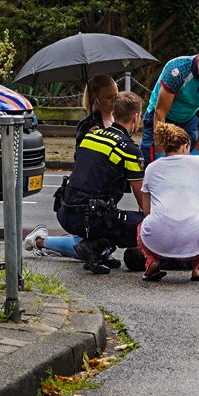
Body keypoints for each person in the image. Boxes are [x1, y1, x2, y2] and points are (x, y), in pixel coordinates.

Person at [28, 76, 121, 259]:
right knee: (97, 246)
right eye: (109, 97)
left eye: (116, 96)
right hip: (90, 194)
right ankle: (41, 241)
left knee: (103, 245)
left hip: (109, 190)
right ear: (97, 99)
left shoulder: (117, 119)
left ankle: (55, 243)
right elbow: (81, 159)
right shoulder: (88, 125)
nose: (114, 101)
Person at [56, 91, 148, 274]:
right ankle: (95, 246)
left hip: (64, 212)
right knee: (145, 225)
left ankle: (98, 251)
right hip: (88, 219)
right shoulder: (129, 149)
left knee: (110, 212)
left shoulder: (91, 136)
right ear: (136, 117)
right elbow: (143, 202)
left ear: (113, 112)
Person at [138, 122, 199, 282]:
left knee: (142, 226)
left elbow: (147, 211)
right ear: (185, 145)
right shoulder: (198, 162)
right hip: (196, 237)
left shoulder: (151, 168)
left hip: (158, 241)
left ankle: (152, 262)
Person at [143, 41, 199, 164]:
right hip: (160, 118)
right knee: (150, 163)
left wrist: (197, 151)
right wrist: (160, 153)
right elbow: (160, 112)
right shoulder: (177, 70)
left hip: (187, 119)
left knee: (186, 165)